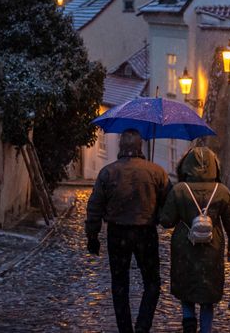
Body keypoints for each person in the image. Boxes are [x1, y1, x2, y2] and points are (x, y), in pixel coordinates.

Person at [85, 129, 170, 333]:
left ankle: (125, 329)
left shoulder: (108, 172)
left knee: (119, 282)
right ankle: (142, 326)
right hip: (145, 233)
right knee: (152, 282)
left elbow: (95, 206)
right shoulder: (156, 172)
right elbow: (169, 203)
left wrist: (92, 236)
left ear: (121, 146)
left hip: (117, 232)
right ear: (140, 147)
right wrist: (159, 215)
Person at [160, 147, 230, 333]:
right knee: (208, 293)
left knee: (186, 288)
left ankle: (189, 323)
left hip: (184, 246)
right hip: (212, 248)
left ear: (186, 165)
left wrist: (165, 201)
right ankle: (206, 329)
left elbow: (166, 221)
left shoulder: (180, 190)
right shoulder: (222, 191)